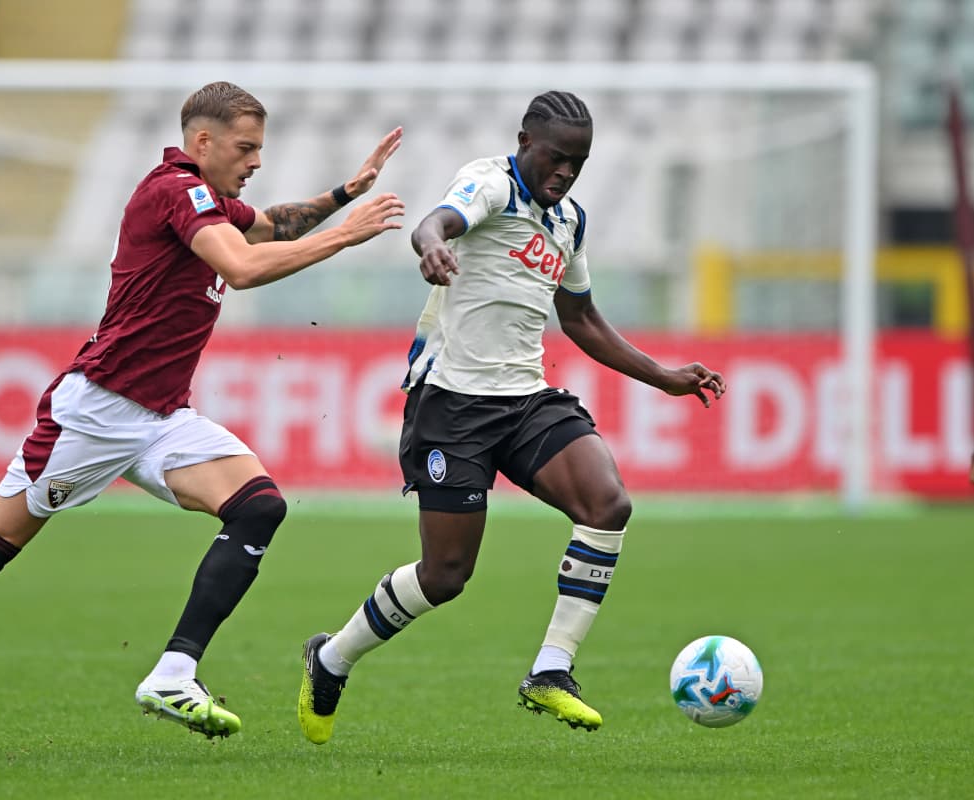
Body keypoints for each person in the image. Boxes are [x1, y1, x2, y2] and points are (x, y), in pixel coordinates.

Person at [0, 81, 405, 751]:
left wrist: (344, 193)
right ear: (202, 142)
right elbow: (244, 266)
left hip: (163, 417)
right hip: (97, 413)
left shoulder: (208, 198)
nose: (256, 161)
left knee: (258, 506)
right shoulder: (173, 190)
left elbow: (271, 226)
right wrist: (344, 236)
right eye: (245, 147)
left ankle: (173, 671)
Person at [297, 90, 726, 744]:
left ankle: (551, 670)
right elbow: (435, 222)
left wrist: (663, 376)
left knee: (607, 506)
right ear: (525, 140)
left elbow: (579, 317)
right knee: (444, 577)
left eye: (577, 163)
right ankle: (331, 658)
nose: (564, 173)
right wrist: (431, 246)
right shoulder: (489, 183)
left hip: (524, 400)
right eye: (555, 158)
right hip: (451, 404)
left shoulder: (569, 220)